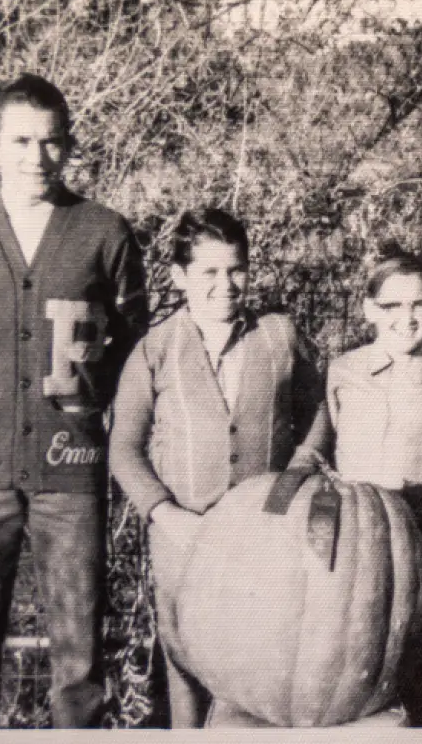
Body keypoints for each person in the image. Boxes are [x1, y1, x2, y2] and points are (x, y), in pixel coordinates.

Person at [0, 73, 148, 728]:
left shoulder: (103, 231)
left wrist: (81, 406)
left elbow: (130, 339)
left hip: (71, 471)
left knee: (79, 657)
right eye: (20, 141)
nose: (36, 158)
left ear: (69, 144)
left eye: (51, 143)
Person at [108, 208, 323, 729]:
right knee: (186, 669)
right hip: (183, 541)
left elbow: (318, 418)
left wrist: (284, 494)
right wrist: (166, 515)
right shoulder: (154, 350)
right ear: (179, 276)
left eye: (236, 270)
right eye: (209, 272)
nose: (226, 285)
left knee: (260, 670)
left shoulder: (281, 336)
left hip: (264, 539)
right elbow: (124, 449)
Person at [300, 246, 422, 725]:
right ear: (368, 310)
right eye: (392, 306)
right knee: (350, 657)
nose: (407, 317)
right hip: (354, 544)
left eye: (419, 304)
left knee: (416, 654)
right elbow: (327, 442)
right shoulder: (343, 372)